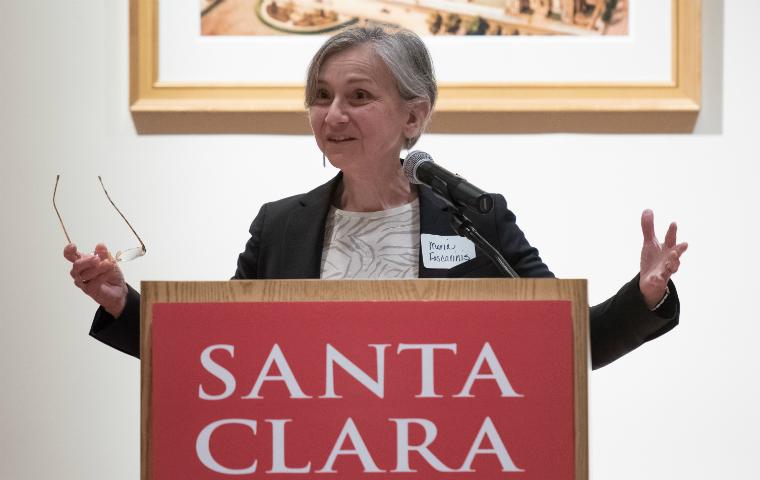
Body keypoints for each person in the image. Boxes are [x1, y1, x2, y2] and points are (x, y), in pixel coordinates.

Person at [63, 26, 687, 369]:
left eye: (358, 96)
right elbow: (224, 356)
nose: (332, 113)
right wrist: (124, 304)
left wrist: (643, 295)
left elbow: (566, 344)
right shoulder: (279, 226)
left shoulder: (475, 218)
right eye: (320, 95)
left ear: (414, 116)